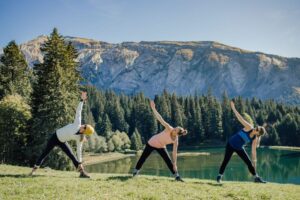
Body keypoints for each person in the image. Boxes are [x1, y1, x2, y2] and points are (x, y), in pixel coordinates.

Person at [29, 91, 94, 178]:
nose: (83, 124)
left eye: (85, 126)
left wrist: (80, 162)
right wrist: (81, 100)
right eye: (85, 124)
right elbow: (79, 111)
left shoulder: (80, 138)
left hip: (62, 142)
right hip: (55, 137)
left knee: (72, 156)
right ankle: (33, 171)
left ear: (84, 130)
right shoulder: (77, 123)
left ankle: (82, 173)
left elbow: (79, 151)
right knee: (44, 153)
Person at [132, 100, 188, 182]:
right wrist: (153, 109)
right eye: (175, 128)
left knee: (168, 161)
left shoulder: (175, 140)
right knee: (143, 158)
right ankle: (135, 172)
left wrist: (175, 164)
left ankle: (177, 177)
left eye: (175, 129)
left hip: (161, 146)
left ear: (177, 133)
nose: (174, 129)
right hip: (152, 143)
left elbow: (174, 152)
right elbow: (160, 119)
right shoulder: (169, 128)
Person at [217, 101, 267, 183]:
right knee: (226, 160)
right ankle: (219, 176)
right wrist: (233, 108)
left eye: (257, 129)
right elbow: (240, 118)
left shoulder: (255, 139)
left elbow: (253, 152)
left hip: (239, 148)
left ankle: (256, 178)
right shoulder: (249, 127)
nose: (256, 128)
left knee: (249, 162)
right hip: (231, 144)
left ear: (258, 133)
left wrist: (254, 162)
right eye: (257, 127)